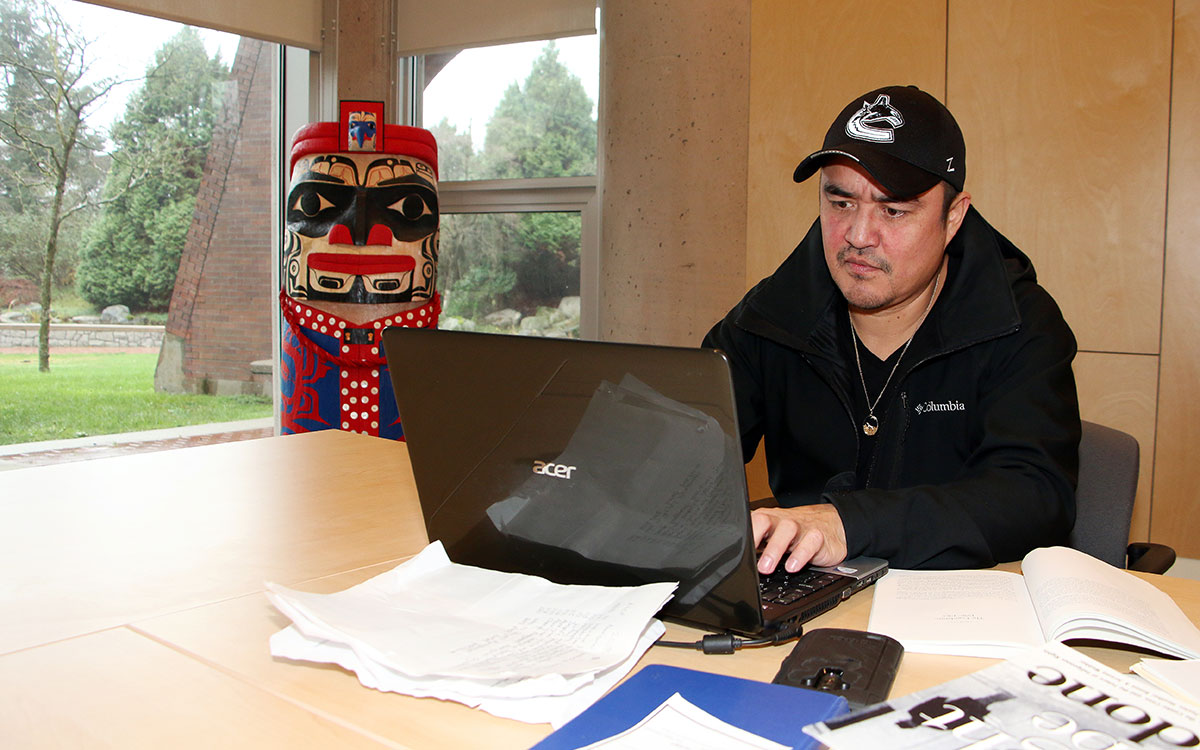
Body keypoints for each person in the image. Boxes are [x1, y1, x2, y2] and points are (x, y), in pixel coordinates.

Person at [703, 85, 1080, 573]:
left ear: (953, 217)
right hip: (800, 594)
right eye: (840, 203)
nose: (858, 236)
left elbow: (1036, 497)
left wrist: (848, 524)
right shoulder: (771, 317)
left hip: (958, 609)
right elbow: (683, 444)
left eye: (893, 210)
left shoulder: (1019, 324)